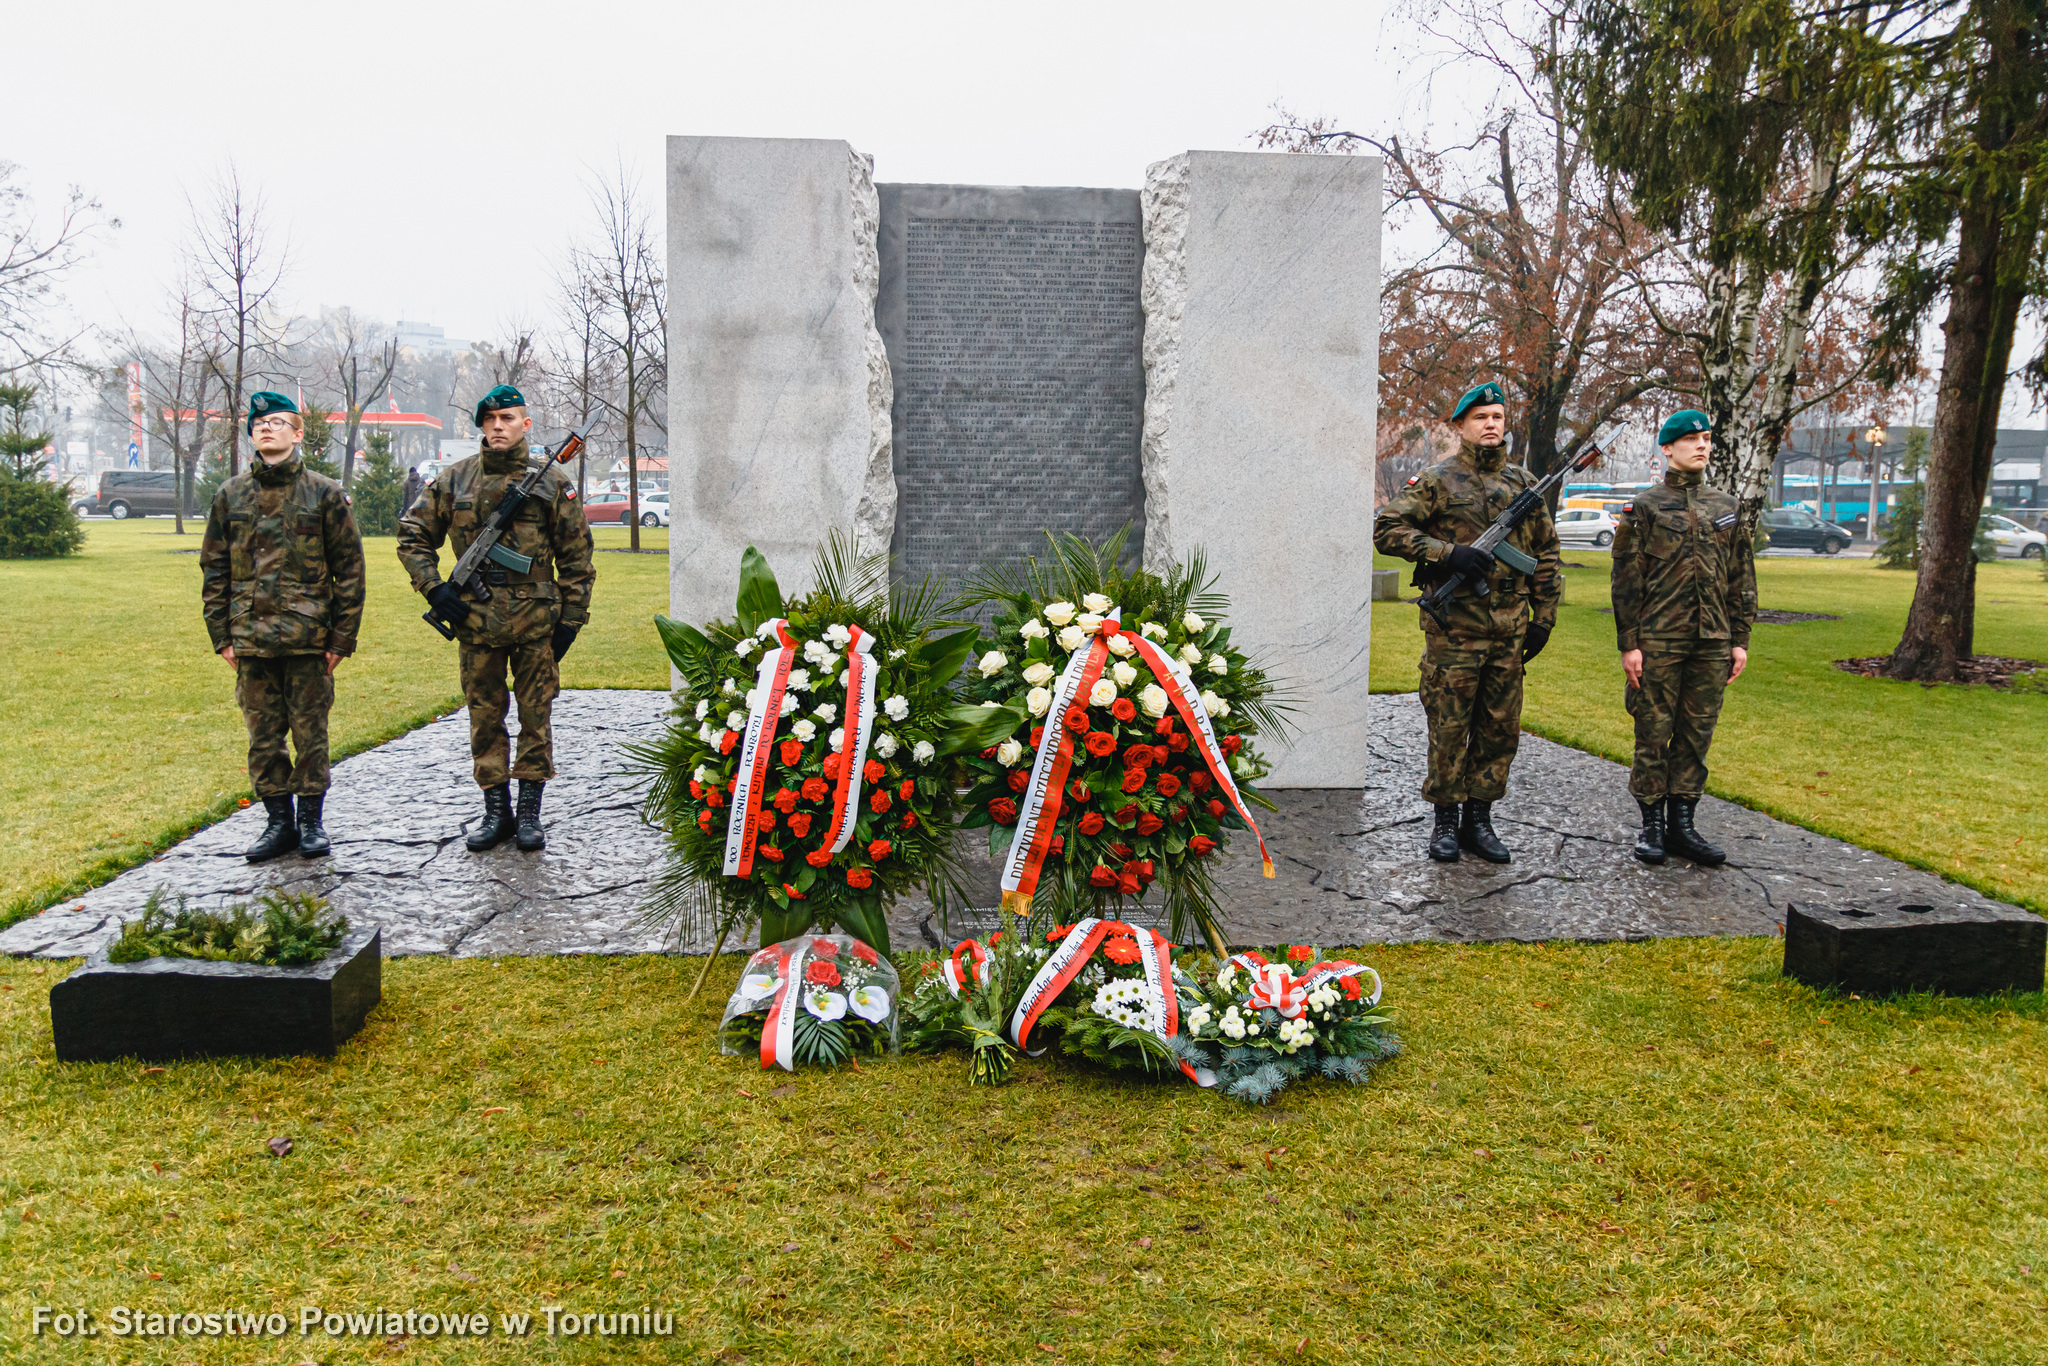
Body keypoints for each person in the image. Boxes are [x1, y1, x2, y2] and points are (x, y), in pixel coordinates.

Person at [396, 385, 594, 853]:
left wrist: (570, 622)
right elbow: (412, 536)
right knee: (484, 719)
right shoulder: (455, 480)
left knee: (535, 717)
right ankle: (495, 810)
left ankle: (529, 812)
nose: (498, 426)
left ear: (526, 424)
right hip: (475, 624)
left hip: (536, 626)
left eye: (507, 418)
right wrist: (435, 587)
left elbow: (578, 559)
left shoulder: (551, 482)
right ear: (481, 426)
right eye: (490, 420)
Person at [1372, 381, 1562, 864]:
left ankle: (1481, 819)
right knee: (1450, 728)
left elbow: (1545, 555)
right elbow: (1387, 529)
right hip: (1454, 631)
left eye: (1497, 416)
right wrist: (1447, 553)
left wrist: (1543, 620)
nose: (1491, 424)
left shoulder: (1525, 486)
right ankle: (1446, 823)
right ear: (1460, 426)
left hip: (1509, 632)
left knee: (1500, 730)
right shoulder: (1436, 481)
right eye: (1480, 417)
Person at [199, 391, 366, 862]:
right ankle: (279, 823)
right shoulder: (230, 495)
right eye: (258, 423)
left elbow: (350, 569)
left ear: (297, 434)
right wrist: (221, 637)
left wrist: (342, 638)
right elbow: (214, 571)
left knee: (311, 733)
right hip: (249, 638)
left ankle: (311, 822)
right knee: (263, 737)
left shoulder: (324, 493)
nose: (265, 429)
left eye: (276, 422)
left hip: (308, 638)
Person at [1610, 410, 1757, 865]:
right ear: (1667, 448)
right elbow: (1626, 580)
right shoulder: (1645, 508)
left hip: (1711, 642)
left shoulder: (1726, 507)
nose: (1701, 446)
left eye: (1706, 438)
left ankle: (1683, 826)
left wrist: (1739, 639)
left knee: (1696, 735)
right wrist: (1629, 644)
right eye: (1690, 439)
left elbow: (1741, 578)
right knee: (1653, 733)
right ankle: (1652, 826)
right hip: (1659, 641)